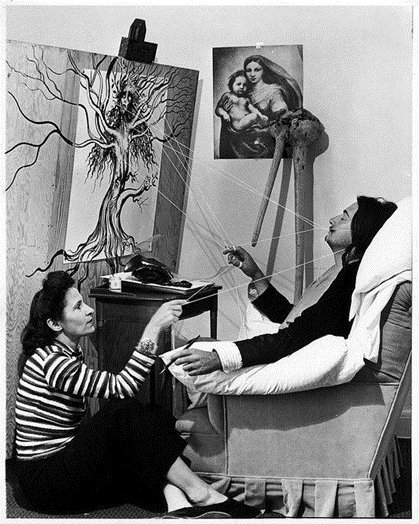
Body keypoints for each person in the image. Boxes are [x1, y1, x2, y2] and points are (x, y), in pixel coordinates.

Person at [14, 271, 261, 518]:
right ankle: (202, 494)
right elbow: (123, 388)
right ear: (55, 324)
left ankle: (176, 503)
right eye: (78, 307)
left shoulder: (64, 353)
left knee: (153, 414)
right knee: (122, 412)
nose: (89, 310)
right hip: (44, 482)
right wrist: (153, 327)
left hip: (60, 465)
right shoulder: (52, 362)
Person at [171, 196, 397, 375]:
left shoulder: (350, 279)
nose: (333, 219)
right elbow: (295, 318)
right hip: (284, 349)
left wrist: (221, 358)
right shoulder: (339, 271)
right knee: (190, 348)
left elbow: (295, 336)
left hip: (287, 360)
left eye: (344, 218)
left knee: (180, 358)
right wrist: (255, 274)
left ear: (362, 229)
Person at [217, 54, 302, 159]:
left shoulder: (273, 91)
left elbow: (281, 114)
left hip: (263, 144)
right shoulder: (243, 91)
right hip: (239, 145)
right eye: (248, 70)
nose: (252, 74)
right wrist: (226, 113)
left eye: (257, 70)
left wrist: (277, 113)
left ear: (264, 71)